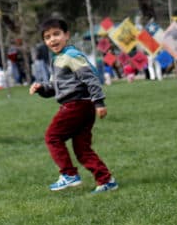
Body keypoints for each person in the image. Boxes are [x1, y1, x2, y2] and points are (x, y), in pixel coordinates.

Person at [29, 16, 117, 194]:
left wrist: (99, 102)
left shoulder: (71, 56)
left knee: (52, 137)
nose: (52, 39)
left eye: (56, 34)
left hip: (75, 106)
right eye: (47, 37)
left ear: (66, 35)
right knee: (82, 148)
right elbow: (54, 88)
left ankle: (69, 174)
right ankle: (106, 180)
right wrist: (41, 89)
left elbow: (91, 78)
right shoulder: (58, 60)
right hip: (82, 107)